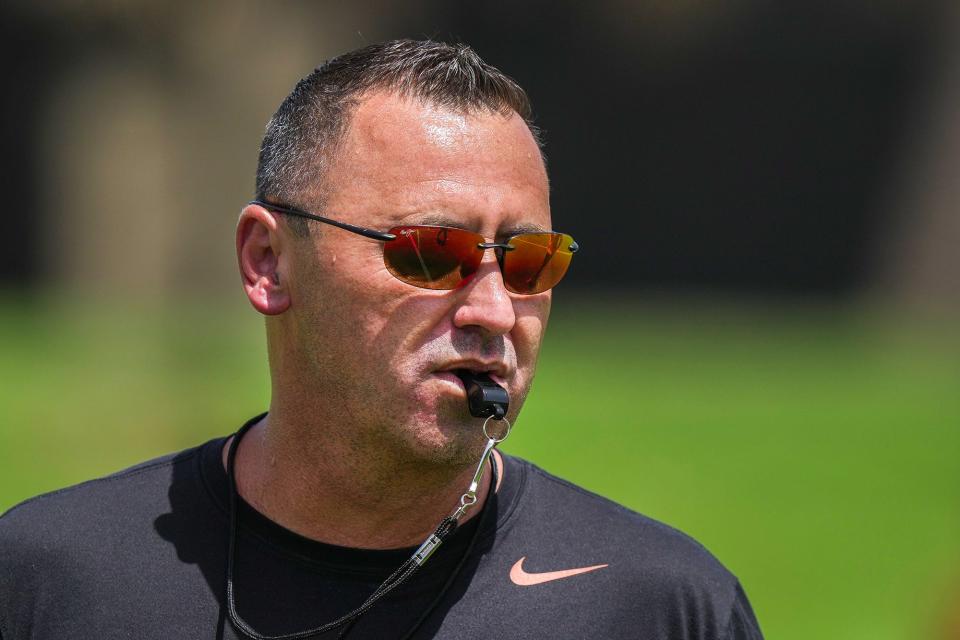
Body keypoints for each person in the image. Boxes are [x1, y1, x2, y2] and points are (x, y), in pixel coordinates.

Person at [0, 40, 763, 639]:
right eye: (433, 254)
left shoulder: (660, 607)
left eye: (529, 261)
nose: (496, 311)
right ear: (269, 262)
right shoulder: (46, 580)